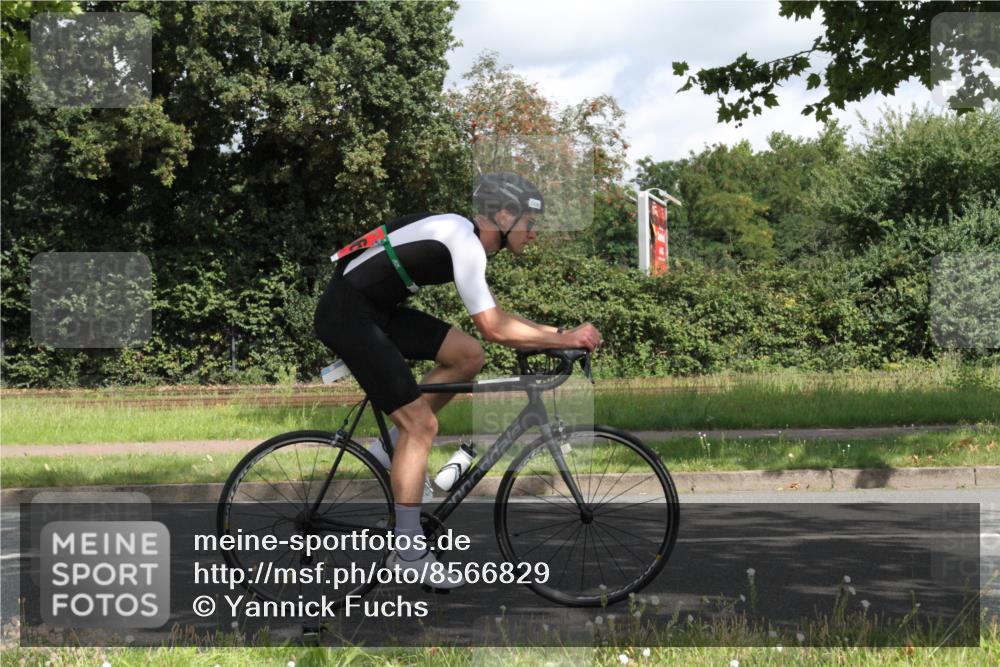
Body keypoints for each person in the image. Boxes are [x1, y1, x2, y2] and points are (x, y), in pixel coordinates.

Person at [313, 172, 601, 587]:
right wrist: (563, 336)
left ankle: (388, 451)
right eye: (530, 224)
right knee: (422, 424)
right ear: (503, 215)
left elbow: (495, 322)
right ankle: (408, 550)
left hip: (376, 310)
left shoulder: (460, 234)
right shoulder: (463, 241)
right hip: (349, 315)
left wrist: (554, 336)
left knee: (467, 356)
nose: (534, 234)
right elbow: (494, 326)